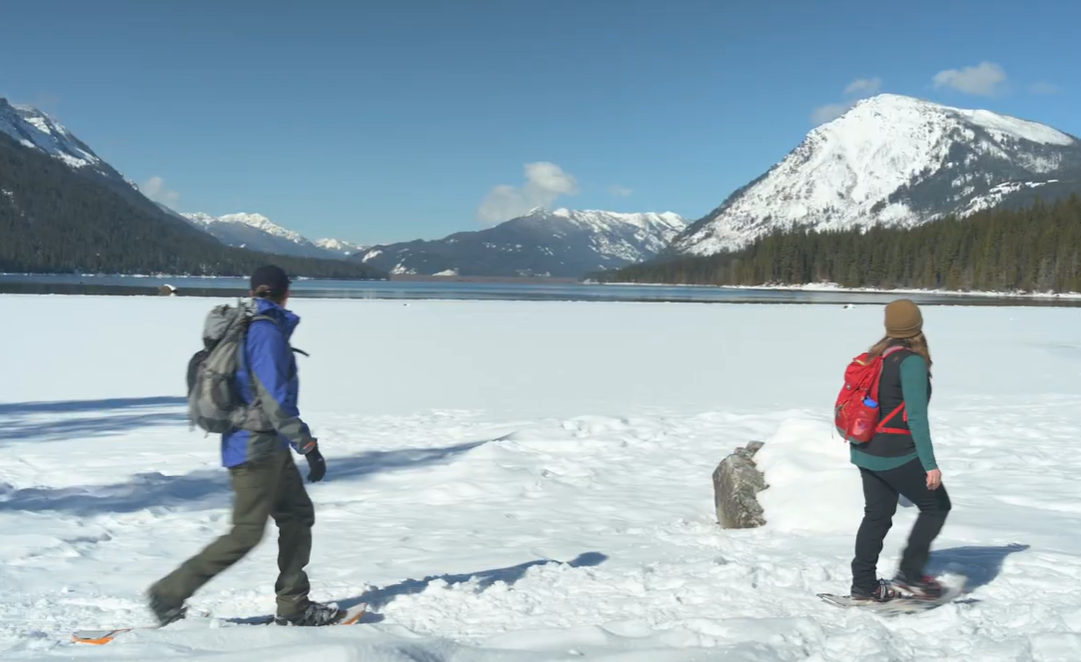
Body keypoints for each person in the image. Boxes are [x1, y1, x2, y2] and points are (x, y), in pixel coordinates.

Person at [146, 265, 345, 626]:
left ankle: (294, 605)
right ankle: (168, 593)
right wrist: (308, 444)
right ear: (285, 293)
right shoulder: (265, 332)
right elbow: (274, 400)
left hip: (261, 445)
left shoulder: (248, 326)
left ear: (253, 291)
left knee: (297, 516)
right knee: (246, 533)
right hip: (255, 449)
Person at [849, 298, 951, 602]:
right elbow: (917, 417)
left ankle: (864, 586)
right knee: (937, 506)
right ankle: (910, 574)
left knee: (876, 516)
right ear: (917, 326)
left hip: (864, 449)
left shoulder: (874, 356)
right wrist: (929, 464)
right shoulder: (911, 362)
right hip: (895, 453)